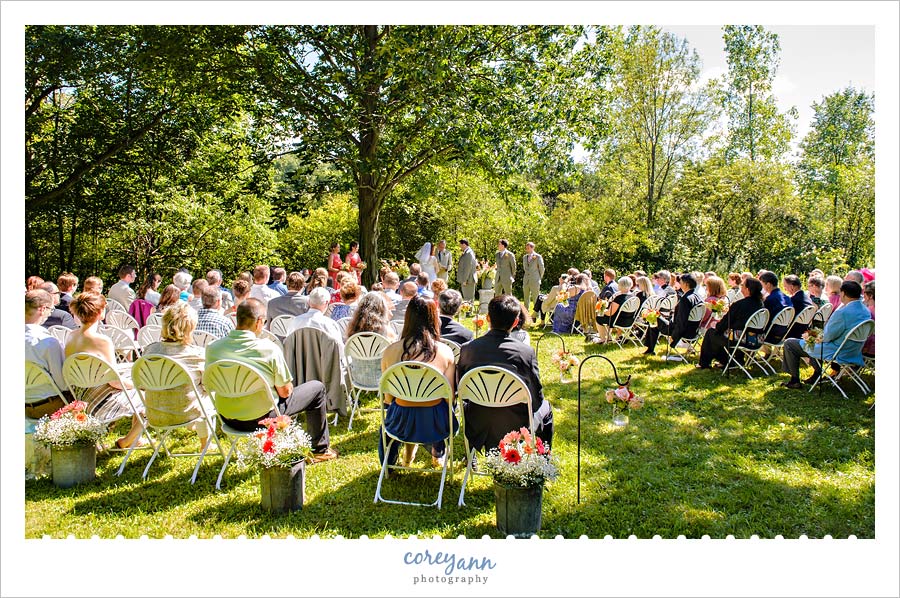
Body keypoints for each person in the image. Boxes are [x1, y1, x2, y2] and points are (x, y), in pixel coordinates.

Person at [206, 299, 337, 461]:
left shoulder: (213, 348)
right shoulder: (268, 349)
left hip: (227, 417)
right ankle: (320, 450)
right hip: (262, 418)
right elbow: (285, 392)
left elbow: (210, 384)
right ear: (259, 322)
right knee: (317, 388)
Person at [456, 294, 553, 451]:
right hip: (516, 424)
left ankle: (471, 456)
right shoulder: (525, 353)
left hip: (477, 421)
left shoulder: (468, 349)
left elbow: (461, 388)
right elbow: (536, 398)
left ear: (488, 318)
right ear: (515, 322)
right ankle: (542, 459)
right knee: (546, 408)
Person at [379, 296, 457, 468]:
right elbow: (449, 397)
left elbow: (388, 399)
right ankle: (438, 452)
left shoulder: (390, 351)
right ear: (434, 319)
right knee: (446, 406)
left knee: (404, 404)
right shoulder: (445, 352)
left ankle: (397, 461)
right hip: (435, 423)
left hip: (400, 421)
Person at [65, 292, 144, 449]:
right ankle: (128, 440)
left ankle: (138, 440)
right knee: (149, 396)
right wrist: (138, 385)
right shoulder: (102, 341)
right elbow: (114, 382)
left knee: (132, 378)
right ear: (100, 312)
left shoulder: (70, 336)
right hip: (102, 400)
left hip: (81, 396)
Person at [141, 303, 214, 449]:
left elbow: (143, 383)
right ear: (190, 328)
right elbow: (207, 386)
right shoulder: (196, 354)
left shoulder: (150, 350)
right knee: (207, 393)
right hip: (187, 413)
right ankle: (205, 443)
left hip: (155, 413)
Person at [781, 281, 872, 389]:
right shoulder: (866, 311)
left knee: (790, 343)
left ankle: (795, 380)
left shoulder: (842, 313)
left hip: (838, 351)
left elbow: (827, 337)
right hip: (854, 350)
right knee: (813, 340)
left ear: (843, 293)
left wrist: (813, 336)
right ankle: (816, 374)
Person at [697, 277, 765, 369]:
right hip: (758, 338)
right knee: (727, 333)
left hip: (743, 339)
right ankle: (735, 360)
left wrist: (717, 326)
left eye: (743, 286)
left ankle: (705, 363)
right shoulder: (761, 304)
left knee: (711, 333)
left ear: (748, 289)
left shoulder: (739, 305)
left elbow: (725, 323)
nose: (741, 288)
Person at [25, 290, 70, 418]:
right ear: (42, 309)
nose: (50, 314)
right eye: (51, 309)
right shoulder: (48, 342)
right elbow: (63, 384)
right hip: (50, 406)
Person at [643, 272, 703, 355]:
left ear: (686, 284)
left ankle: (650, 349)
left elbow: (681, 322)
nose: (679, 284)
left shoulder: (686, 299)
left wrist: (674, 337)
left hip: (682, 331)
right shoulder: (697, 296)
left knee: (654, 318)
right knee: (656, 317)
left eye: (681, 282)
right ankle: (649, 348)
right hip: (694, 330)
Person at [291, 287, 345, 351]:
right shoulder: (331, 325)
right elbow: (340, 350)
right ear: (326, 303)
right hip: (324, 357)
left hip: (300, 356)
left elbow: (289, 345)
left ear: (309, 302)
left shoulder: (295, 321)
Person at [596, 276, 637, 343]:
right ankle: (613, 336)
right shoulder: (633, 297)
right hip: (629, 321)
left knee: (599, 317)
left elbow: (610, 313)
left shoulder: (619, 298)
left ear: (620, 286)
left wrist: (601, 309)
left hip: (618, 321)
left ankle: (603, 339)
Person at [759, 271, 792, 344]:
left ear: (768, 284)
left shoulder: (770, 299)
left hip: (770, 335)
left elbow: (762, 318)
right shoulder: (787, 298)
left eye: (762, 284)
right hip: (783, 334)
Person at [522, 241, 545, 317]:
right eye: (526, 248)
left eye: (528, 248)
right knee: (526, 297)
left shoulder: (538, 257)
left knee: (536, 297)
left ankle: (536, 314)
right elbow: (525, 268)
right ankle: (525, 313)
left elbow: (542, 268)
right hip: (526, 279)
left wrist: (539, 278)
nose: (527, 249)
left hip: (535, 279)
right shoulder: (524, 257)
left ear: (532, 248)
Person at [862, 280, 875, 358]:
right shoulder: (870, 307)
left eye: (864, 293)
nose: (863, 296)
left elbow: (869, 334)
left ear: (870, 296)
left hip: (870, 350)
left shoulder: (870, 311)